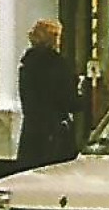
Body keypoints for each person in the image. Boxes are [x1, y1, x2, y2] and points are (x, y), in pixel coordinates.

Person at [17, 18, 80, 168]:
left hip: (32, 129)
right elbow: (68, 100)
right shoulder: (58, 65)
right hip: (55, 131)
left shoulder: (27, 64)